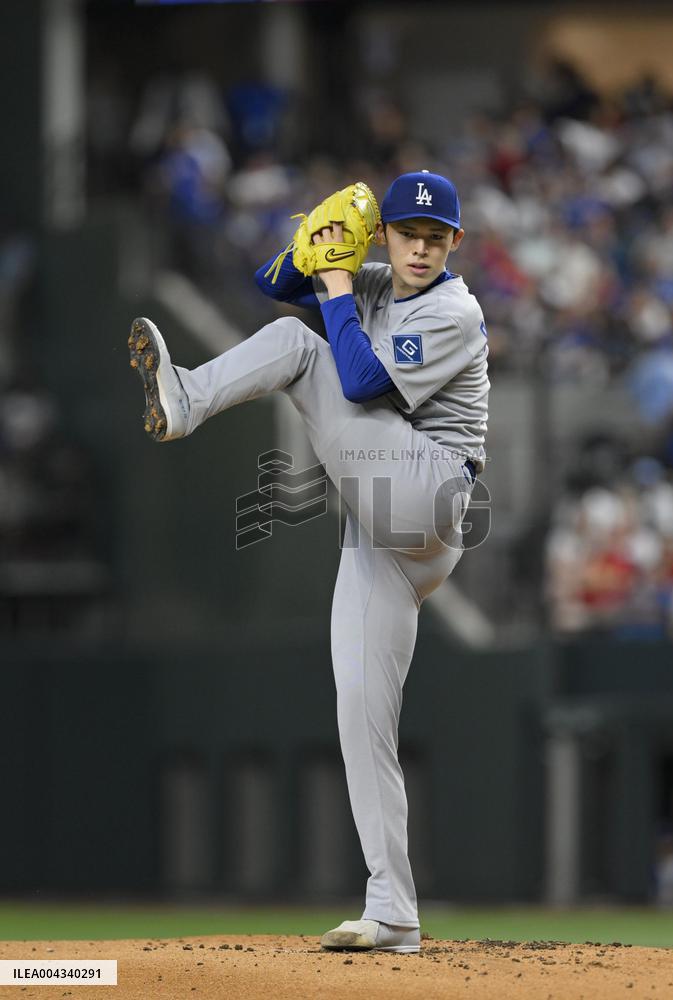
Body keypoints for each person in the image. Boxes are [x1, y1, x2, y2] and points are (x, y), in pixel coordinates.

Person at [127, 170, 489, 954]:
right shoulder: (373, 281)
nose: (420, 248)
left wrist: (329, 281)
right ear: (387, 236)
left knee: (300, 347)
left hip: (428, 495)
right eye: (406, 234)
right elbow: (269, 283)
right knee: (361, 717)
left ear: (454, 243)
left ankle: (186, 399)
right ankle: (394, 911)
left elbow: (358, 378)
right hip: (380, 533)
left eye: (435, 237)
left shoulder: (454, 308)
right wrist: (318, 247)